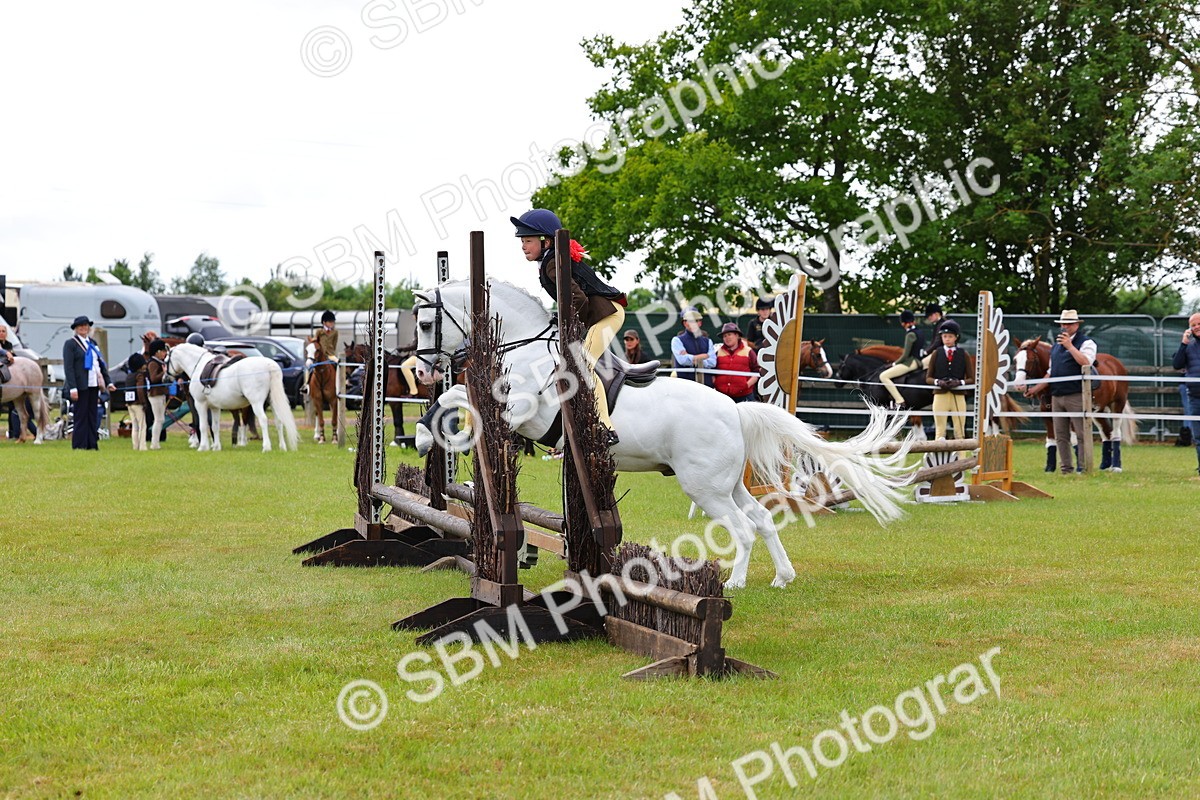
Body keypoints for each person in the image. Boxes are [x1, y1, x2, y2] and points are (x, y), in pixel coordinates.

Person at [512, 208, 627, 442]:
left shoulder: (553, 262)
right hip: (599, 314)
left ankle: (605, 426)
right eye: (522, 241)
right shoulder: (551, 259)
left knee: (583, 363)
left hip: (607, 315)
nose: (523, 246)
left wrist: (567, 325)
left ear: (545, 242)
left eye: (528, 241)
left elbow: (578, 300)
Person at [1026, 309, 1097, 475]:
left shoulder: (1087, 343)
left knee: (1081, 433)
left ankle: (1083, 467)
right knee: (1060, 435)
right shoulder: (1056, 347)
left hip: (1076, 393)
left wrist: (1070, 346)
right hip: (1057, 395)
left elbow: (1086, 363)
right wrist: (1036, 388)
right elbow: (1051, 371)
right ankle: (1066, 469)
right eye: (1063, 324)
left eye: (1069, 324)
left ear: (1077, 325)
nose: (1065, 327)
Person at [62, 315, 115, 450]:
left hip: (93, 384)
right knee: (81, 415)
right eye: (80, 326)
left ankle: (92, 444)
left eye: (86, 326)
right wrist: (73, 388)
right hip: (80, 386)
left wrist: (108, 382)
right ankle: (79, 444)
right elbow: (69, 368)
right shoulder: (71, 344)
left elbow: (100, 364)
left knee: (92, 415)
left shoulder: (92, 343)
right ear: (76, 329)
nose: (83, 328)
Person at [926, 319, 968, 442]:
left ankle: (961, 458)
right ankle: (938, 460)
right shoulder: (936, 353)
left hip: (958, 395)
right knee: (940, 431)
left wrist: (960, 382)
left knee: (959, 431)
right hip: (940, 395)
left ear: (956, 337)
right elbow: (928, 377)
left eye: (950, 336)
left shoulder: (962, 354)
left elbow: (972, 378)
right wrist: (938, 382)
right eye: (945, 336)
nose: (947, 339)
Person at [879, 310, 926, 410]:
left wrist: (893, 364)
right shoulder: (920, 332)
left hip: (911, 362)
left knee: (883, 376)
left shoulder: (910, 334)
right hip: (919, 360)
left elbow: (905, 355)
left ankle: (899, 400)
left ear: (904, 323)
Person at [1171, 312, 1200, 474]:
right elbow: (1177, 364)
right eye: (1193, 325)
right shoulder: (1188, 347)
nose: (1196, 327)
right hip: (1195, 397)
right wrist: (1183, 343)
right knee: (1198, 436)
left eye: (1199, 324)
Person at [714, 322, 759, 403]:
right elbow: (713, 372)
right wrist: (716, 384)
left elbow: (756, 372)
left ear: (737, 335)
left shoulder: (749, 351)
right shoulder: (718, 352)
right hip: (722, 396)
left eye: (729, 334)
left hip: (745, 396)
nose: (727, 338)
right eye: (724, 336)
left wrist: (746, 385)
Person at [671, 308, 716, 387]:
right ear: (685, 323)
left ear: (700, 323)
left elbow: (713, 362)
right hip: (686, 386)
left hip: (706, 387)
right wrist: (704, 356)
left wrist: (691, 358)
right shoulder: (677, 340)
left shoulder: (708, 341)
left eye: (696, 321)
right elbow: (683, 360)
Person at [146, 338, 171, 449]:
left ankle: (155, 442)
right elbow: (153, 378)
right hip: (155, 394)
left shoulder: (159, 362)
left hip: (160, 394)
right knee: (158, 419)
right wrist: (164, 373)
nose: (165, 354)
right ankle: (154, 443)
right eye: (163, 351)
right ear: (157, 352)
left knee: (160, 419)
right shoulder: (153, 363)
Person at [124, 352, 149, 451]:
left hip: (129, 404)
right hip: (138, 404)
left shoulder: (129, 376)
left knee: (135, 426)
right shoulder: (140, 375)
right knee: (143, 425)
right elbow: (140, 389)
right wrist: (143, 402)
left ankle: (135, 446)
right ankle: (142, 446)